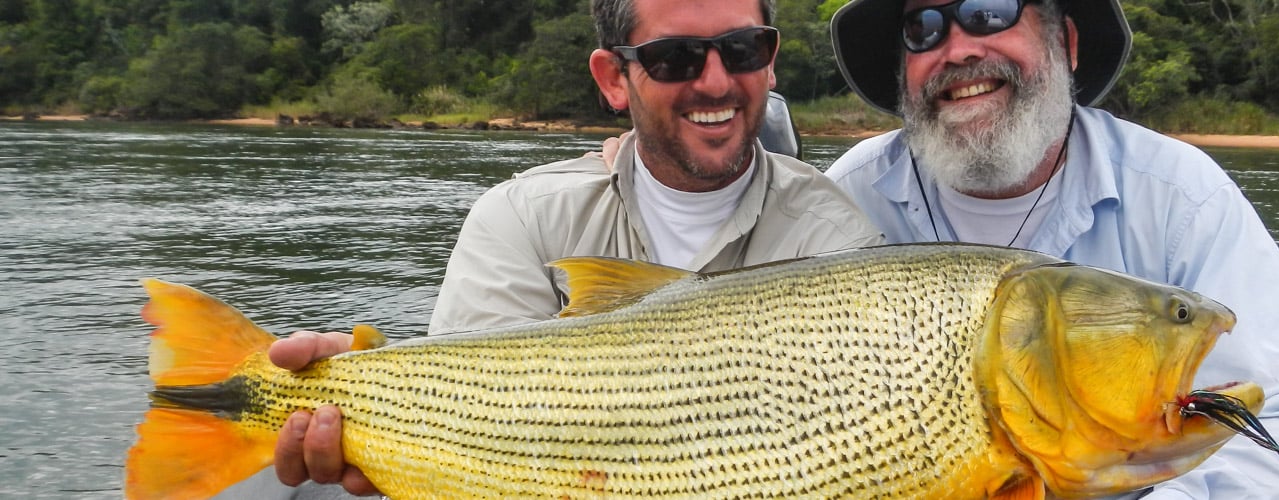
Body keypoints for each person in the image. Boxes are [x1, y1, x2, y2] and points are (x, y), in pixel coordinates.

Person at [259, 0, 883, 495]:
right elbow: (473, 415)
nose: (715, 81)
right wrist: (372, 396)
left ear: (771, 62)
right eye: (674, 58)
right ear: (614, 79)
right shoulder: (523, 216)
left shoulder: (834, 234)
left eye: (743, 49)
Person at [822, 0, 1279, 497]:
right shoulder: (850, 196)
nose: (959, 49)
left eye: (991, 11)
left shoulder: (1180, 197)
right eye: (923, 28)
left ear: (1068, 44)